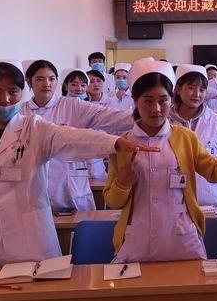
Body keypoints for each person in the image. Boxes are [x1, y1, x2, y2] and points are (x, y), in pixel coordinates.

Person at [0, 60, 152, 270]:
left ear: (21, 92)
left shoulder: (35, 128)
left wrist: (115, 143)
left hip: (30, 241)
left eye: (13, 91)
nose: (5, 99)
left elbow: (74, 138)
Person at [105, 60, 217, 262]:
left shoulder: (185, 137)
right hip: (137, 236)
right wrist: (123, 182)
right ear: (135, 101)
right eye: (148, 101)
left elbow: (214, 173)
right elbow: (113, 201)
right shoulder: (123, 144)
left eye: (163, 100)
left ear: (171, 100)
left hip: (182, 236)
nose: (156, 108)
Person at [21, 60, 133, 211]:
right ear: (29, 82)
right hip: (33, 188)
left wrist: (143, 118)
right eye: (40, 79)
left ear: (57, 81)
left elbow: (107, 116)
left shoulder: (72, 105)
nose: (46, 84)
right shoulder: (21, 112)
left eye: (51, 79)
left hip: (71, 187)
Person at [169, 64, 217, 207]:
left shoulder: (216, 123)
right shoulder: (165, 122)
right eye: (191, 88)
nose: (197, 94)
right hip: (173, 203)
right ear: (178, 89)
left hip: (210, 202)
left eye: (202, 89)